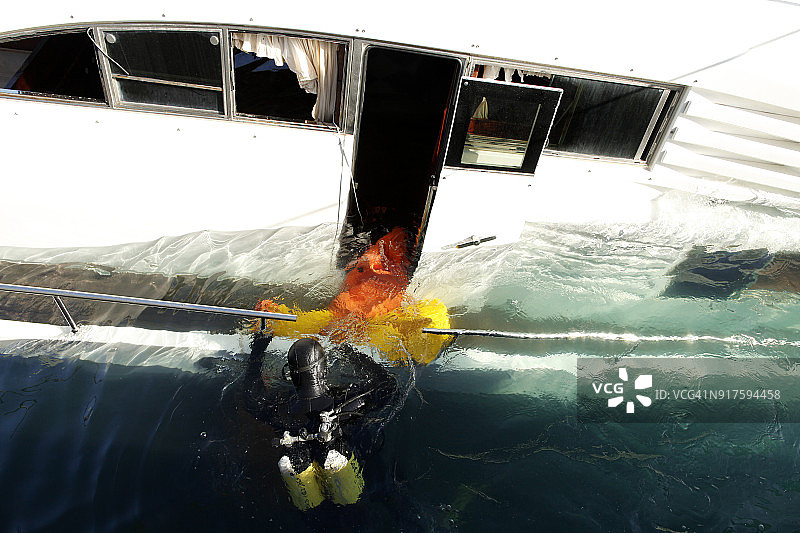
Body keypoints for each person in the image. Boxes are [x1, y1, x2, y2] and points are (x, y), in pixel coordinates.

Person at [243, 331, 398, 510]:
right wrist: (348, 350)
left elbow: (250, 396)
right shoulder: (348, 402)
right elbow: (388, 385)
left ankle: (301, 464)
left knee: (295, 458)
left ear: (290, 374)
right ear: (324, 370)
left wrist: (259, 346)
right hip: (351, 490)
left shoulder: (278, 409)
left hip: (309, 497)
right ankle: (332, 455)